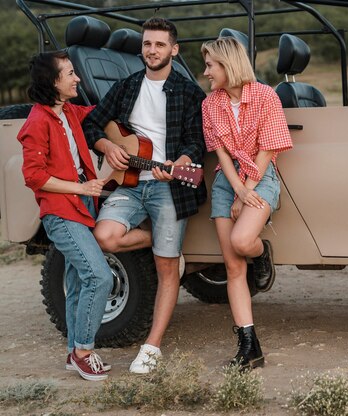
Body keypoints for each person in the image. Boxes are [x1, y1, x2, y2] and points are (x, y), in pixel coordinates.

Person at [82, 17, 207, 374]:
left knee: (166, 269)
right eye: (148, 44)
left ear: (174, 50)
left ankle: (151, 347)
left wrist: (184, 159)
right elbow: (91, 123)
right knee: (104, 237)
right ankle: (168, 241)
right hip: (130, 183)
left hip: (168, 184)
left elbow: (197, 142)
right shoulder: (126, 87)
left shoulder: (188, 92)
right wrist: (107, 146)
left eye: (160, 45)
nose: (152, 50)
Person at [18, 51, 113, 381]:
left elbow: (102, 113)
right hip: (61, 212)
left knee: (76, 284)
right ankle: (84, 351)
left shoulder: (69, 111)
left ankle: (75, 352)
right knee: (99, 276)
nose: (78, 79)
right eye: (70, 74)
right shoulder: (37, 122)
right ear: (53, 81)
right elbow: (33, 175)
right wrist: (80, 188)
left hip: (82, 207)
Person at [201, 37, 293, 369]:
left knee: (242, 242)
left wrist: (248, 189)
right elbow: (222, 154)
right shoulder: (210, 104)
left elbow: (269, 149)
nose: (206, 71)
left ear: (228, 64)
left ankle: (261, 250)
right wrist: (237, 191)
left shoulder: (266, 96)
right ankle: (249, 346)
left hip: (261, 176)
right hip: (229, 182)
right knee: (233, 267)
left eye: (211, 65)